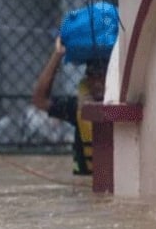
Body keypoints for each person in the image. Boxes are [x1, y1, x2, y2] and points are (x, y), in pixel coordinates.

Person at [31, 36, 108, 175]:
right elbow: (39, 100)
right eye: (92, 75)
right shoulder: (76, 107)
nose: (97, 82)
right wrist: (57, 55)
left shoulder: (124, 110)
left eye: (102, 76)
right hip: (84, 182)